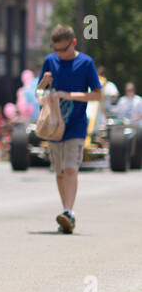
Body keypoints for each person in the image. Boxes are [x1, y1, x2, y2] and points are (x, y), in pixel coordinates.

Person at [39, 23, 102, 233]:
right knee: (59, 172)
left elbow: (97, 94)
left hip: (76, 125)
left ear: (73, 43)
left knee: (70, 168)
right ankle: (66, 212)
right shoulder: (50, 61)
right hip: (54, 126)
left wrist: (70, 95)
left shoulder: (86, 63)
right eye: (55, 49)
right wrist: (43, 84)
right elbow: (39, 96)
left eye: (63, 50)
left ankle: (68, 212)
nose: (59, 54)